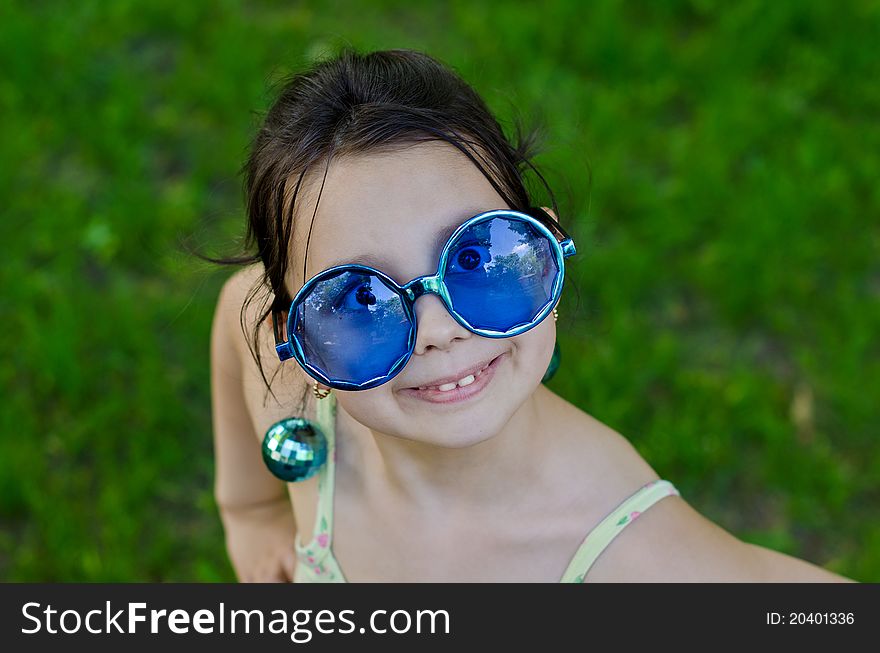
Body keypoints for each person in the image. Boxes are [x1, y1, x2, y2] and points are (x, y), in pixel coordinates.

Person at [206, 47, 854, 583]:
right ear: (291, 333)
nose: (438, 330)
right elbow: (242, 300)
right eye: (357, 299)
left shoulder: (627, 556)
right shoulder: (288, 387)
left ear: (548, 249)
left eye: (480, 258)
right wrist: (255, 520)